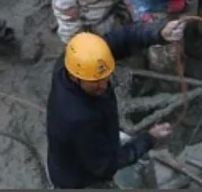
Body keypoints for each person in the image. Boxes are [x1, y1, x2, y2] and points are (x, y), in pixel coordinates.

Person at [45, 21, 186, 189]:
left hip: (83, 149)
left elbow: (119, 40)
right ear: (76, 77)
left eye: (105, 77)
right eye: (95, 82)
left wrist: (158, 34)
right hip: (80, 181)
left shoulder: (71, 64)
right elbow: (106, 166)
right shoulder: (78, 118)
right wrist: (149, 139)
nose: (103, 85)